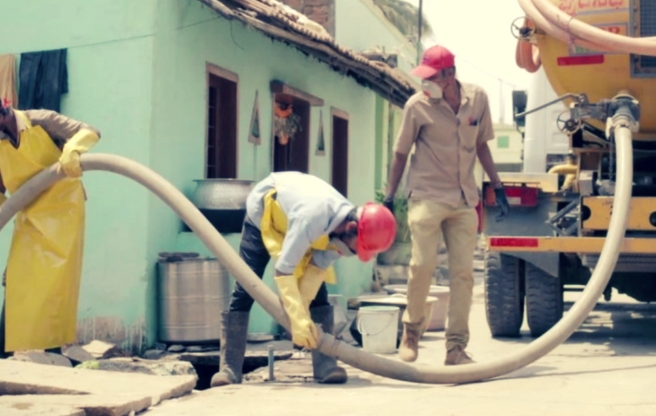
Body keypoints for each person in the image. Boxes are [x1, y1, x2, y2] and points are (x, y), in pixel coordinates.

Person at [382, 45, 511, 366]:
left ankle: (455, 348)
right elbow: (400, 153)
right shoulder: (417, 106)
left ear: (450, 76)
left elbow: (481, 145)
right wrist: (387, 197)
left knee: (463, 275)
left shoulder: (477, 99)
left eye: (432, 77)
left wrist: (497, 184)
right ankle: (411, 333)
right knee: (422, 265)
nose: (426, 82)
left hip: (464, 199)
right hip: (426, 195)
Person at [211, 171, 396, 387]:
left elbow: (317, 268)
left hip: (296, 222)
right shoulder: (312, 217)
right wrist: (297, 320)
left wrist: (301, 313)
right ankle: (229, 368)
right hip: (265, 213)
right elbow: (283, 271)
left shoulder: (345, 228)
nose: (353, 253)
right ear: (351, 228)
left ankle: (325, 365)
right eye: (359, 248)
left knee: (319, 295)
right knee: (246, 285)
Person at [0, 90, 101, 359]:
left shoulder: (40, 120)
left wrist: (72, 150)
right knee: (14, 278)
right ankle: (2, 351)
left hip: (64, 208)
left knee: (56, 280)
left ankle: (53, 350)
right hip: (29, 210)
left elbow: (89, 131)